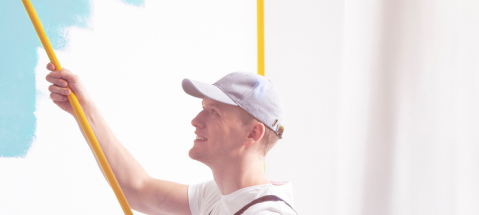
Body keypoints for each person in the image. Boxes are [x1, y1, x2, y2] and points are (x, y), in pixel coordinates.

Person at [46, 64, 297, 215]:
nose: (196, 120)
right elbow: (137, 189)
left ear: (252, 134)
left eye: (213, 112)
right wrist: (84, 109)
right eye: (203, 107)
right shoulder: (218, 196)